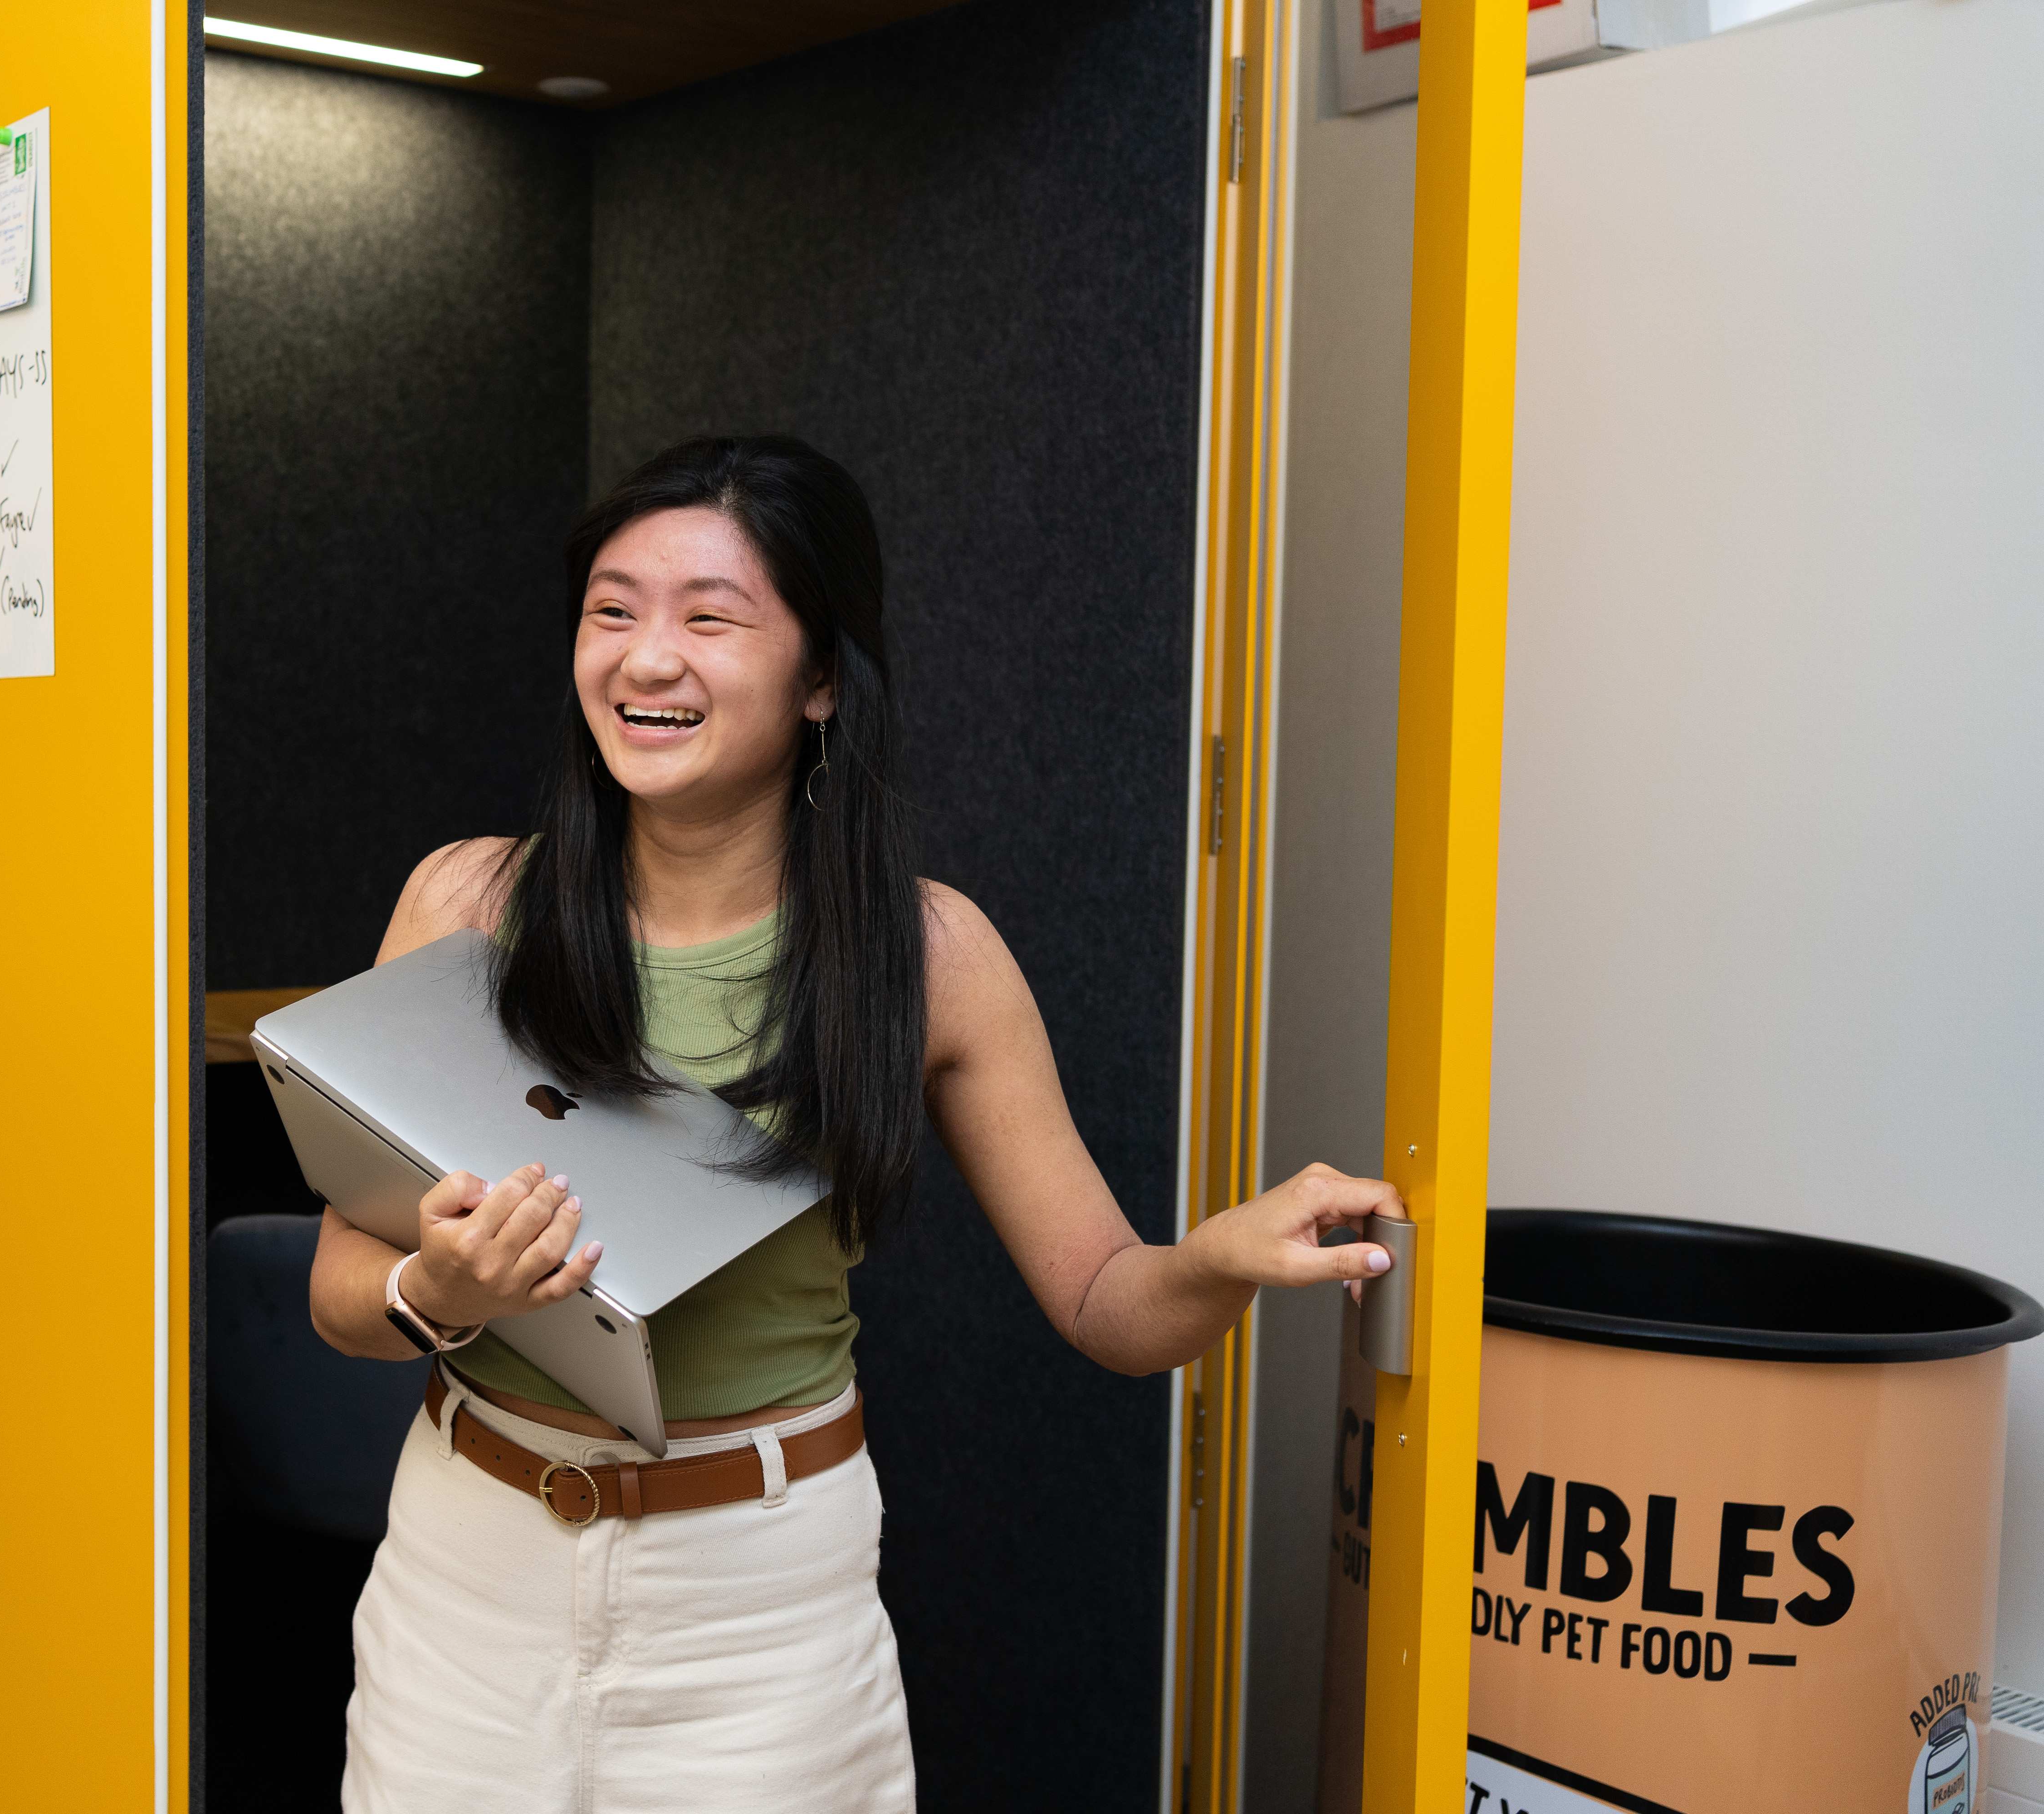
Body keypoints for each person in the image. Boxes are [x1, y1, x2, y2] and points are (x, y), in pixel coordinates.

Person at [308, 434, 1399, 1812]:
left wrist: (1218, 1263)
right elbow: (340, 1287)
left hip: (764, 1603)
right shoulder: (468, 906)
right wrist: (437, 1289)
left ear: (822, 679)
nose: (649, 658)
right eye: (613, 610)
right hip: (469, 1575)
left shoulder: (928, 954)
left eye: (711, 618)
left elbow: (1112, 1305)